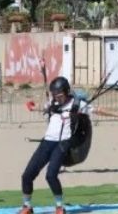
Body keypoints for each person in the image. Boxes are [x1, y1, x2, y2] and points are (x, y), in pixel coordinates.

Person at [19, 76, 91, 214]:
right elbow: (44, 108)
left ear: (67, 91)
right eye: (55, 95)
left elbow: (97, 110)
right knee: (27, 175)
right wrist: (32, 107)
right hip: (47, 142)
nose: (57, 98)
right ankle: (27, 206)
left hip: (62, 143)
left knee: (51, 175)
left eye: (60, 95)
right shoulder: (53, 102)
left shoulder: (77, 104)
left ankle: (59, 207)